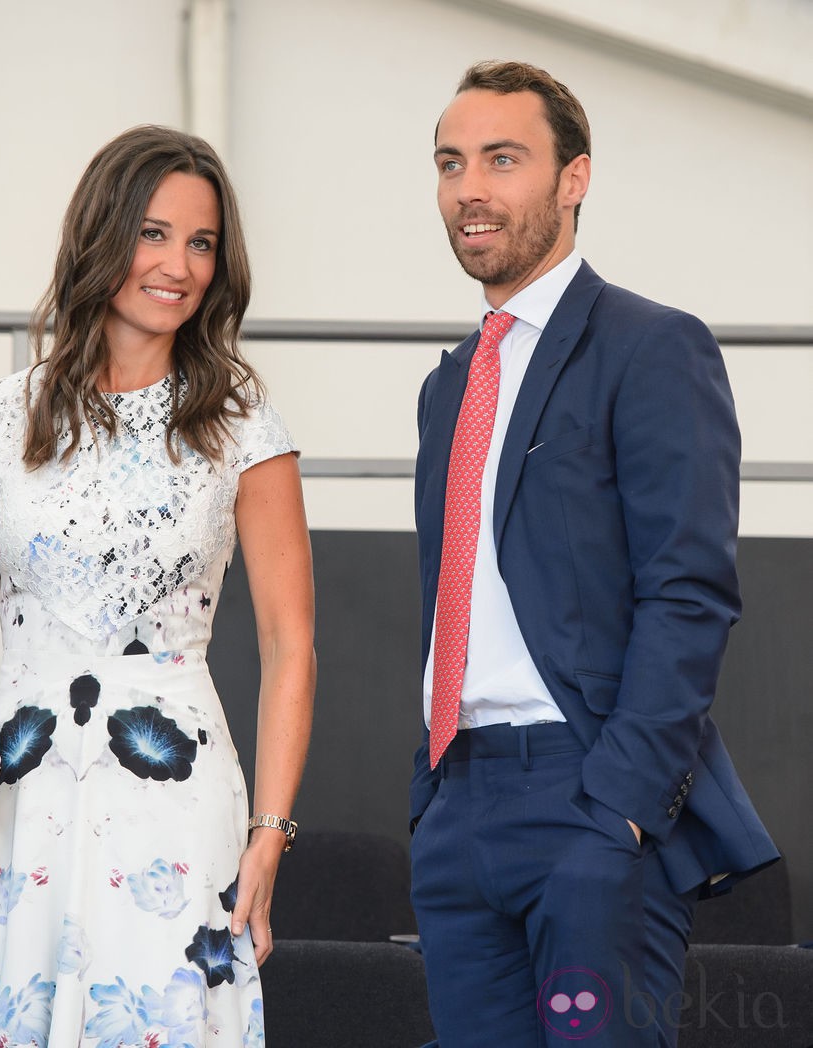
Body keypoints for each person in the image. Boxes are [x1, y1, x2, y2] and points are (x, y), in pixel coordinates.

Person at [0, 125, 316, 1047]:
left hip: (178, 800)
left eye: (201, 243)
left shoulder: (245, 427)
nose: (179, 265)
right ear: (102, 238)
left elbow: (290, 645)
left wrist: (270, 831)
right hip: (18, 796)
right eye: (154, 233)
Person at [409, 60, 779, 1047]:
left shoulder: (650, 347)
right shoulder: (447, 386)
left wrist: (615, 811)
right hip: (456, 811)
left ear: (573, 178)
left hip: (583, 800)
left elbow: (688, 594)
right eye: (450, 163)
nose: (469, 189)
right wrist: (430, 797)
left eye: (501, 159)